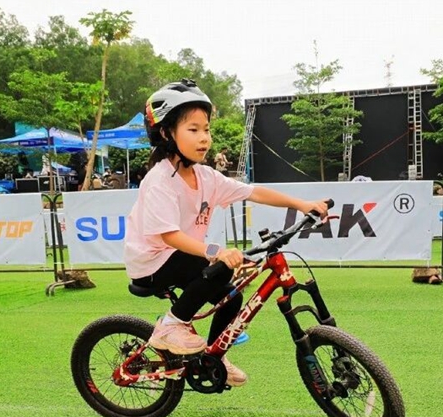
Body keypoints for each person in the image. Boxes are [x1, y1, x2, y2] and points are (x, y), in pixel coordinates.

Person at [125, 79, 329, 386]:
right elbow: (169, 237)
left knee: (231, 297)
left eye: (206, 129)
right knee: (219, 268)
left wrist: (302, 204)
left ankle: (214, 357)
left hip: (181, 258)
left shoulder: (206, 176)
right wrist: (216, 252)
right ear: (166, 133)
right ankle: (170, 326)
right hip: (151, 263)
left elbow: (252, 192)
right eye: (193, 129)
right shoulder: (159, 181)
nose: (204, 138)